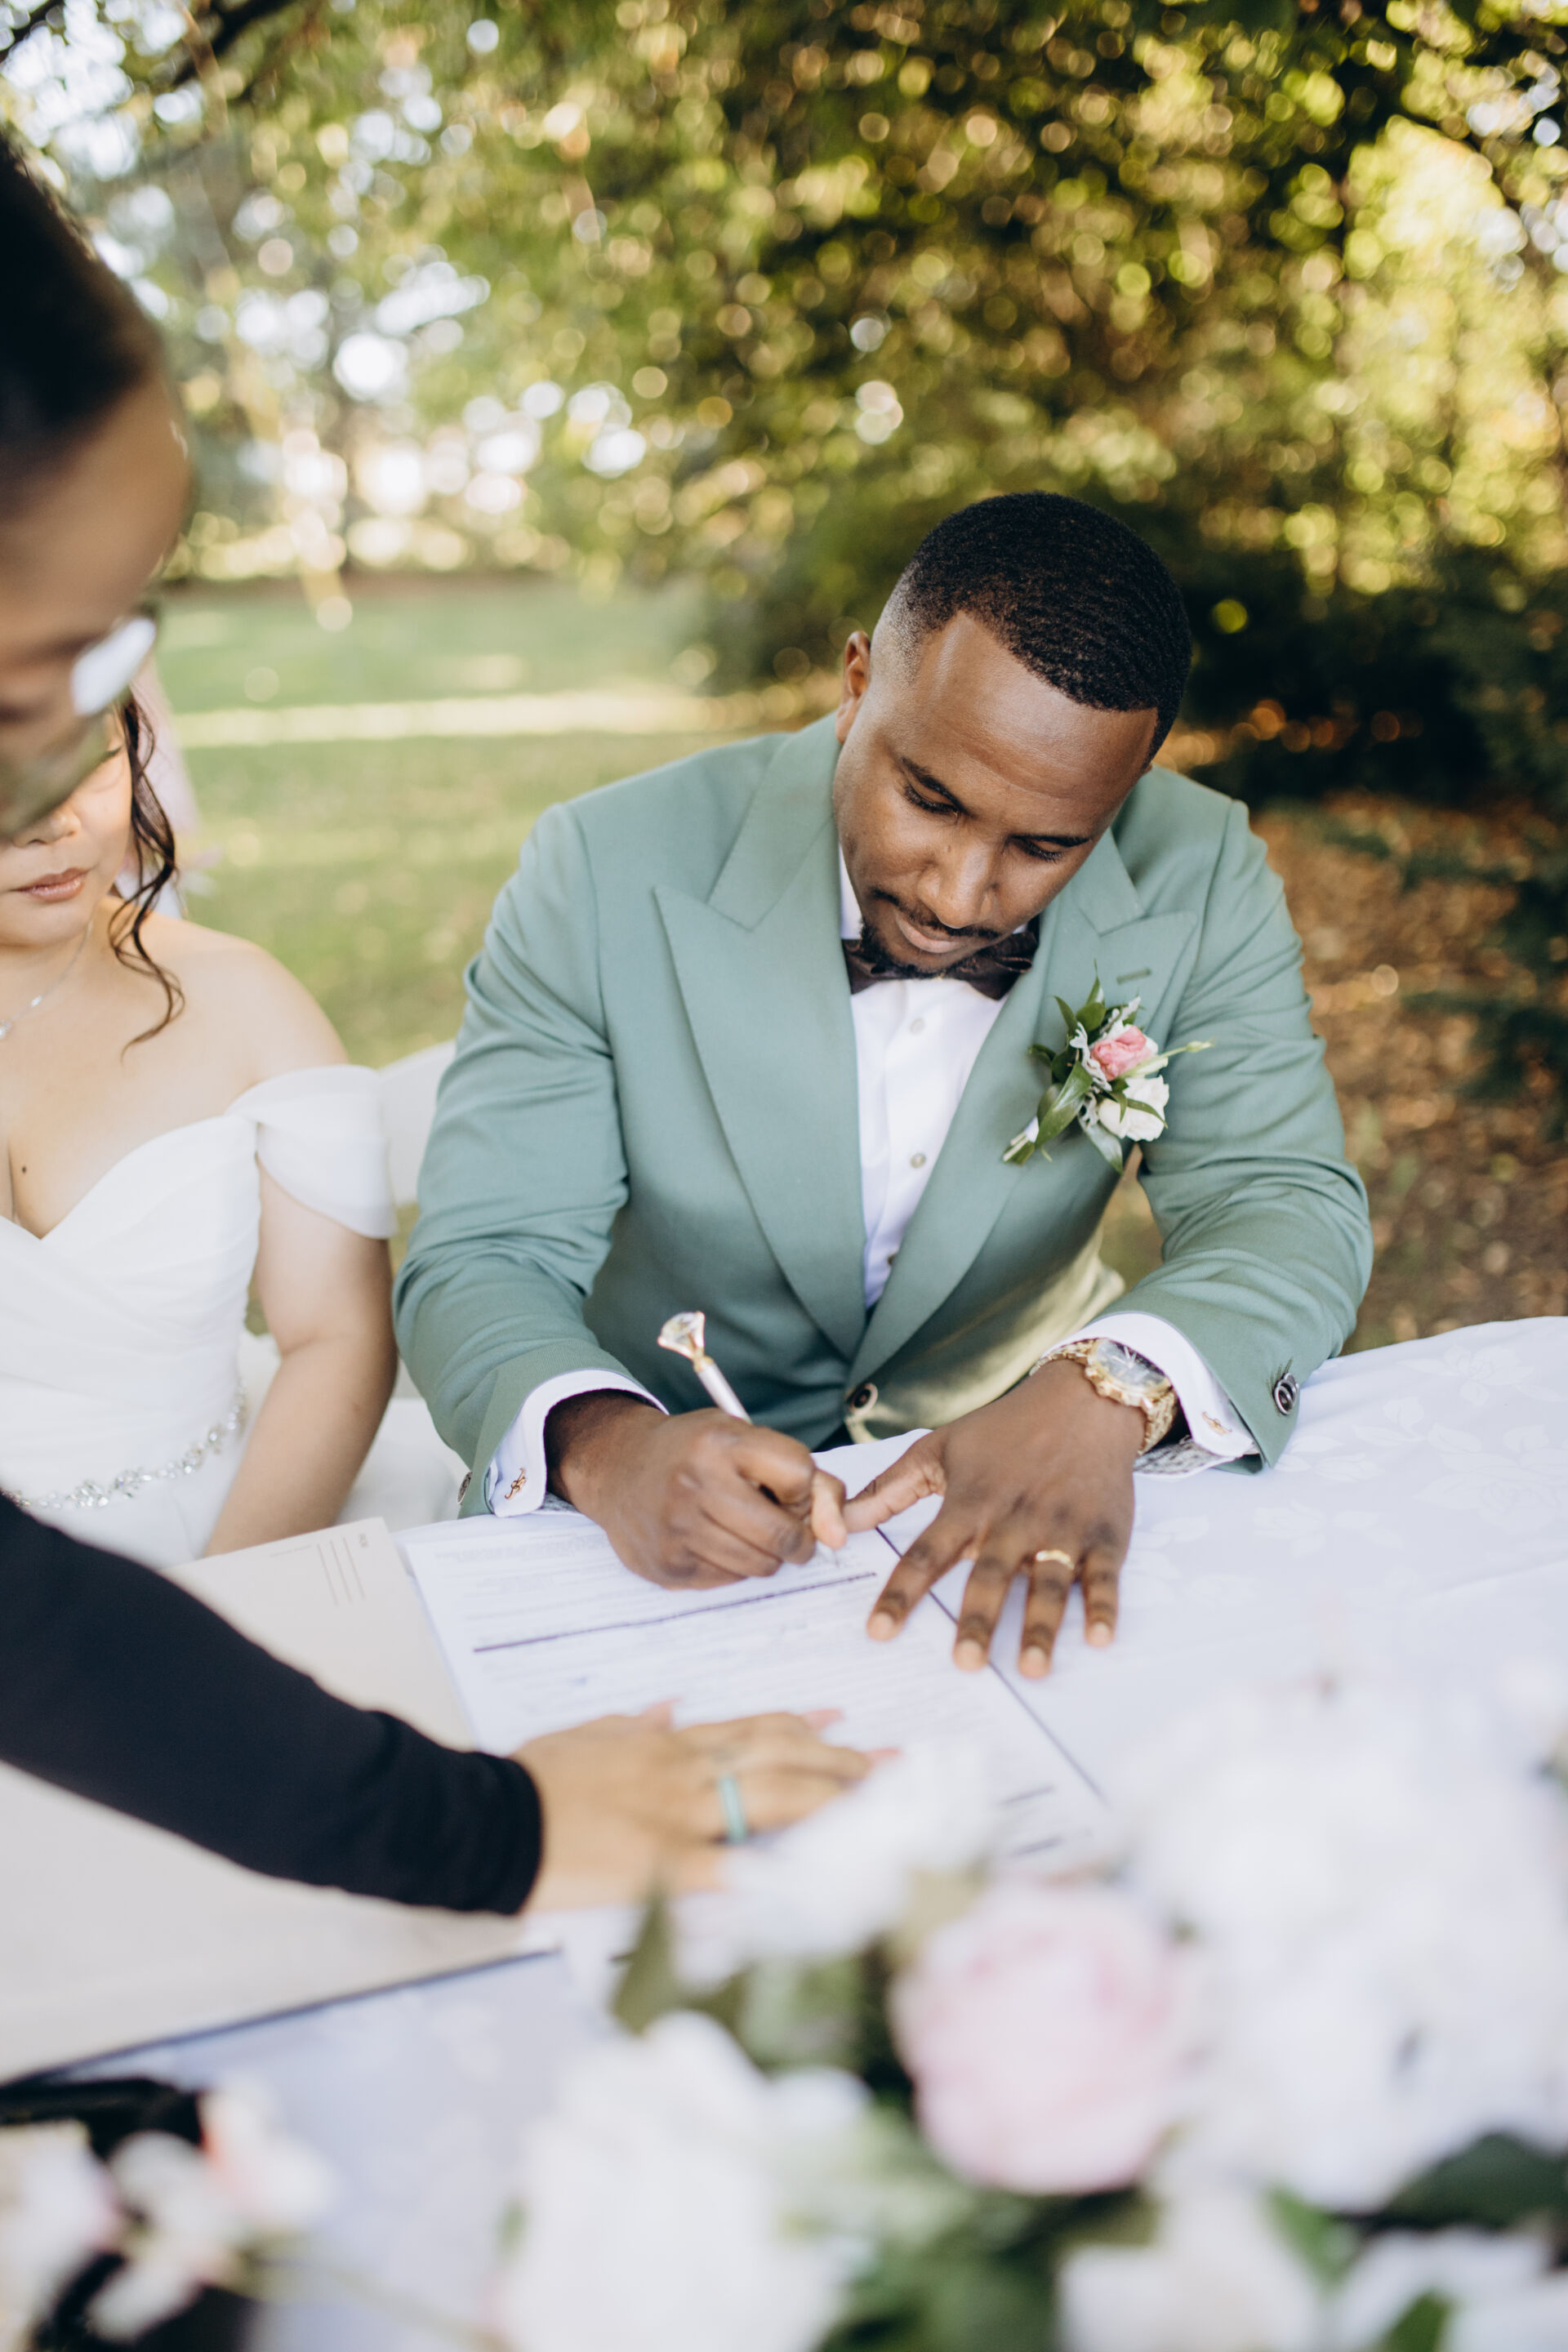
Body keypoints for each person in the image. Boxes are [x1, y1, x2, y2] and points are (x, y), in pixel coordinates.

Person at [0, 134, 867, 1913]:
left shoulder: (229, 996)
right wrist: (490, 1835)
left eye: (112, 671)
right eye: (27, 674)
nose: (67, 777)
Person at [399, 492, 1374, 1681]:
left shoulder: (1204, 872)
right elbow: (484, 1256)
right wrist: (608, 1451)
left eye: (1045, 846)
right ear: (857, 683)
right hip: (657, 1518)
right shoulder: (602, 869)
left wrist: (1105, 1393)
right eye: (931, 800)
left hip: (1043, 1472)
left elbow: (1283, 1201)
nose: (959, 897)